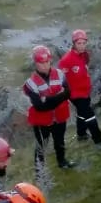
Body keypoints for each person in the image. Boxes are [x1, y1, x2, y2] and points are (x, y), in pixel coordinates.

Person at [23, 45, 74, 174]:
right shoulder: (30, 83)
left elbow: (68, 93)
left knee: (60, 141)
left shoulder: (60, 74)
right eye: (41, 63)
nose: (45, 65)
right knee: (41, 145)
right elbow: (39, 106)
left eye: (47, 61)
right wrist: (59, 97)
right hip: (42, 121)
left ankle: (62, 162)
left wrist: (49, 99)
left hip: (60, 116)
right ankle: (39, 170)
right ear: (35, 63)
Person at [57, 29, 101, 150]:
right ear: (74, 43)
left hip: (85, 91)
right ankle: (99, 142)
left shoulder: (84, 55)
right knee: (90, 116)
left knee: (81, 114)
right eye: (79, 43)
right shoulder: (66, 60)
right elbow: (60, 78)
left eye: (84, 43)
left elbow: (84, 68)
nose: (82, 46)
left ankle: (81, 134)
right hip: (75, 94)